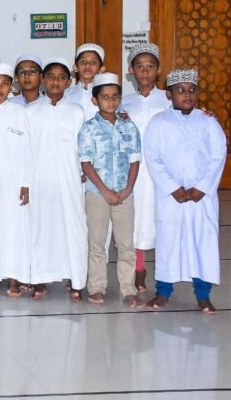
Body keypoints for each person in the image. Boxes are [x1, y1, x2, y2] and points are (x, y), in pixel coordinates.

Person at [144, 69, 225, 315]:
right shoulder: (158, 123)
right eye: (180, 90)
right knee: (169, 242)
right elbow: (153, 157)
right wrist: (173, 187)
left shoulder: (208, 122)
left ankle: (203, 295)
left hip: (202, 197)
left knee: (203, 243)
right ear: (169, 95)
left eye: (192, 90)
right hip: (171, 197)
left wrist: (202, 187)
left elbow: (218, 155)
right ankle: (163, 292)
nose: (187, 95)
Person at [78, 72, 142, 307]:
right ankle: (96, 287)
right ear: (95, 100)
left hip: (125, 194)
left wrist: (128, 189)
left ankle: (128, 289)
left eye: (115, 96)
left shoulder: (129, 126)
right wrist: (104, 191)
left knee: (125, 244)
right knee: (97, 243)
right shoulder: (88, 128)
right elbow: (86, 163)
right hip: (97, 194)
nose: (111, 101)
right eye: (105, 97)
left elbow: (135, 160)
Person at [27, 57, 88, 301]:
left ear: (69, 82)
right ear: (43, 80)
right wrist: (25, 182)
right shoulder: (30, 111)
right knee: (40, 226)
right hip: (39, 178)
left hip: (70, 178)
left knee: (73, 227)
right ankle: (39, 279)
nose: (55, 82)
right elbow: (25, 150)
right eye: (51, 77)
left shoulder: (76, 111)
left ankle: (75, 279)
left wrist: (83, 169)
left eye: (61, 77)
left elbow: (83, 145)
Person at [122, 43, 167, 292]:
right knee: (137, 217)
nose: (145, 71)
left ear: (158, 70)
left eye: (150, 66)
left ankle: (165, 271)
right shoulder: (125, 102)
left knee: (162, 217)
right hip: (136, 170)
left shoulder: (168, 99)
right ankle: (139, 269)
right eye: (139, 66)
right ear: (131, 70)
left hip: (162, 170)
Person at [0, 63, 31, 297]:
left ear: (11, 86)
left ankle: (14, 277)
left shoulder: (21, 113)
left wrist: (26, 182)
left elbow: (29, 150)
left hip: (14, 182)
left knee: (14, 229)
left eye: (4, 84)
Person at [65, 43, 106, 121]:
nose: (87, 65)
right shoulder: (66, 95)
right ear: (75, 67)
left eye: (93, 62)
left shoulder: (107, 96)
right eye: (83, 61)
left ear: (101, 69)